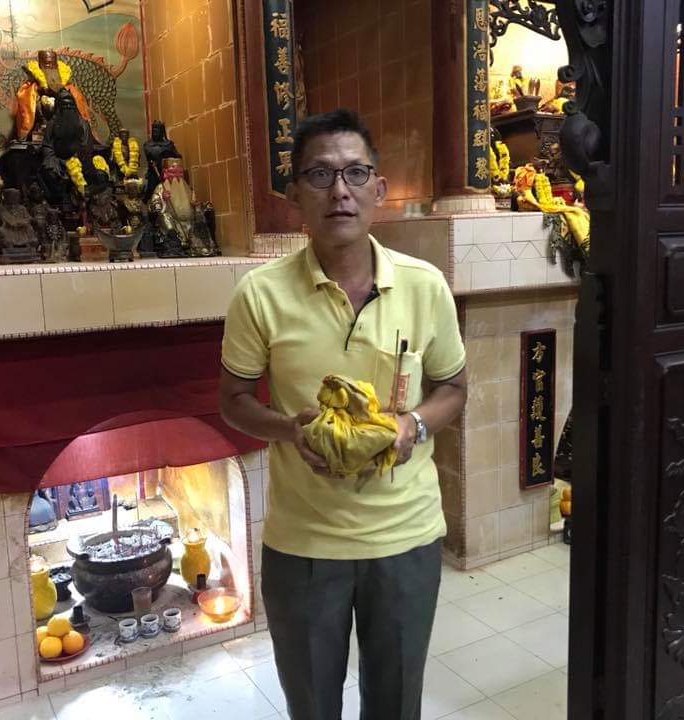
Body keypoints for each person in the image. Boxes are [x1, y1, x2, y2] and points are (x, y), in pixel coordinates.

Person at [220, 109, 467, 720]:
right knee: (311, 706)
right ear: (294, 196)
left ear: (379, 190)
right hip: (304, 541)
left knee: (396, 704)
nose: (340, 191)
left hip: (405, 535)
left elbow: (453, 387)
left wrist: (413, 425)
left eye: (356, 173)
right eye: (320, 175)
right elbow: (233, 400)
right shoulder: (259, 293)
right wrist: (289, 429)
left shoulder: (425, 285)